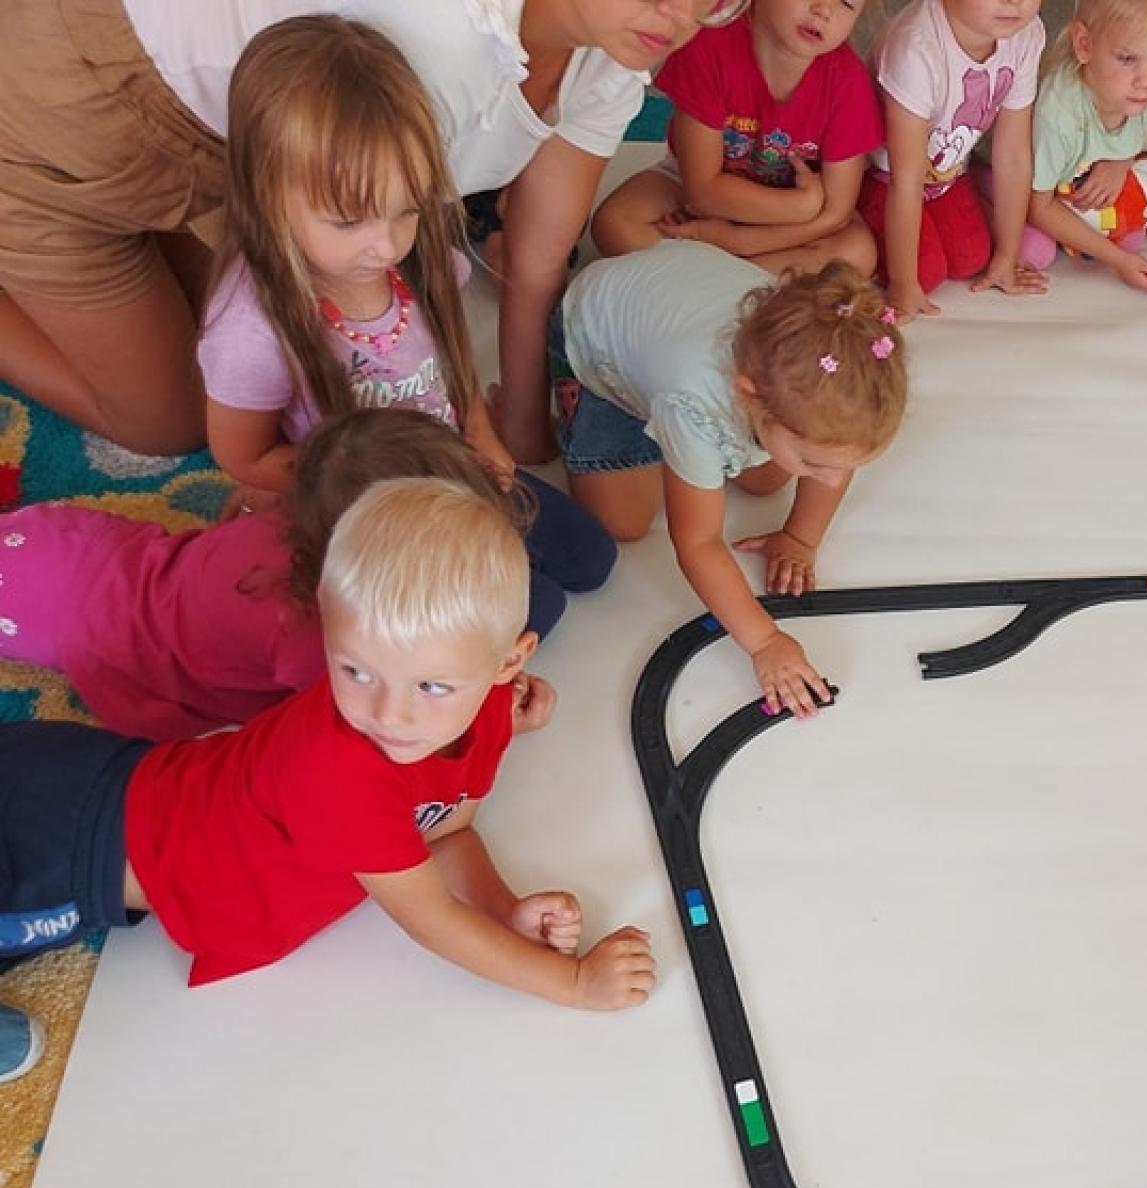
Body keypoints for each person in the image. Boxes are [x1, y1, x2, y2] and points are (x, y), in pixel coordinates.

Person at [0, 477, 655, 1006]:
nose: (388, 714)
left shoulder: (483, 709)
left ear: (508, 662)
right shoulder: (338, 766)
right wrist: (572, 983)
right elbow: (429, 917)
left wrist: (504, 911)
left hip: (105, 792)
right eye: (355, 670)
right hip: (68, 835)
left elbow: (443, 832)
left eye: (430, 686)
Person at [0, 0, 728, 462]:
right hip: (55, 114)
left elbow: (538, 262)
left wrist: (521, 431)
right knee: (172, 421)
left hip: (227, 152)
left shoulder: (619, 44)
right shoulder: (431, 36)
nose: (683, 15)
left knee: (226, 349)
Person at [196, 17, 614, 623]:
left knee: (592, 558)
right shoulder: (250, 329)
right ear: (267, 195)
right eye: (348, 221)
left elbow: (450, 368)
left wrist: (482, 435)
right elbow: (243, 455)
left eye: (407, 209)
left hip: (451, 469)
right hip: (366, 510)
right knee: (534, 610)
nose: (387, 245)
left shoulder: (415, 258)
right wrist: (351, 483)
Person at [0, 408, 547, 741]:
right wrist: (491, 720)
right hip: (79, 628)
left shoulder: (305, 519)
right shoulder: (320, 634)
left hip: (70, 541)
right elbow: (362, 734)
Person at [555, 247, 908, 717]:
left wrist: (800, 539)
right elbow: (697, 542)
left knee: (768, 480)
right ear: (750, 397)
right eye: (816, 461)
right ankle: (581, 398)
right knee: (623, 521)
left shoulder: (808, 373)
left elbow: (830, 463)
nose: (836, 478)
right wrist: (765, 641)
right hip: (597, 340)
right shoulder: (694, 400)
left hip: (671, 311)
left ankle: (715, 449)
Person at [591, 0, 885, 276]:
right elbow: (703, 190)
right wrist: (800, 205)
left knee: (857, 253)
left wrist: (739, 241)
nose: (824, 10)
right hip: (704, 191)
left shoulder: (849, 83)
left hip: (789, 221)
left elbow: (835, 213)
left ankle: (708, 277)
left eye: (846, 2)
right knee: (615, 223)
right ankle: (744, 283)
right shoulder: (707, 45)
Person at [857, 0, 1050, 320]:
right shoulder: (916, 47)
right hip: (882, 176)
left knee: (973, 257)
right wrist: (903, 285)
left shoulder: (1025, 33)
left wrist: (1007, 256)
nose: (1015, 2)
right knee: (924, 274)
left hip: (946, 173)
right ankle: (860, 219)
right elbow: (905, 179)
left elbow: (1013, 154)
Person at [1021, 0, 1147, 291]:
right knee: (1035, 251)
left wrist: (1122, 162)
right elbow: (1038, 206)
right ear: (1084, 45)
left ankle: (1080, 236)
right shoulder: (1059, 111)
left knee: (1132, 236)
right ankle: (984, 194)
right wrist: (1119, 261)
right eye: (1127, 59)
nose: (1145, 81)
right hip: (1028, 187)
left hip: (1072, 189)